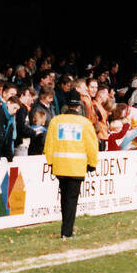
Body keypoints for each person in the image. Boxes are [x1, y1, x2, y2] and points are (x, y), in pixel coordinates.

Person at [43, 91, 100, 239]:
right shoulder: (85, 123)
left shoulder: (56, 121)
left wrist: (50, 162)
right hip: (77, 167)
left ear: (66, 104)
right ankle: (67, 231)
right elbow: (92, 146)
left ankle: (65, 229)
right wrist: (92, 164)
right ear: (78, 105)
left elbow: (49, 144)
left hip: (60, 166)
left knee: (64, 198)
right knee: (72, 199)